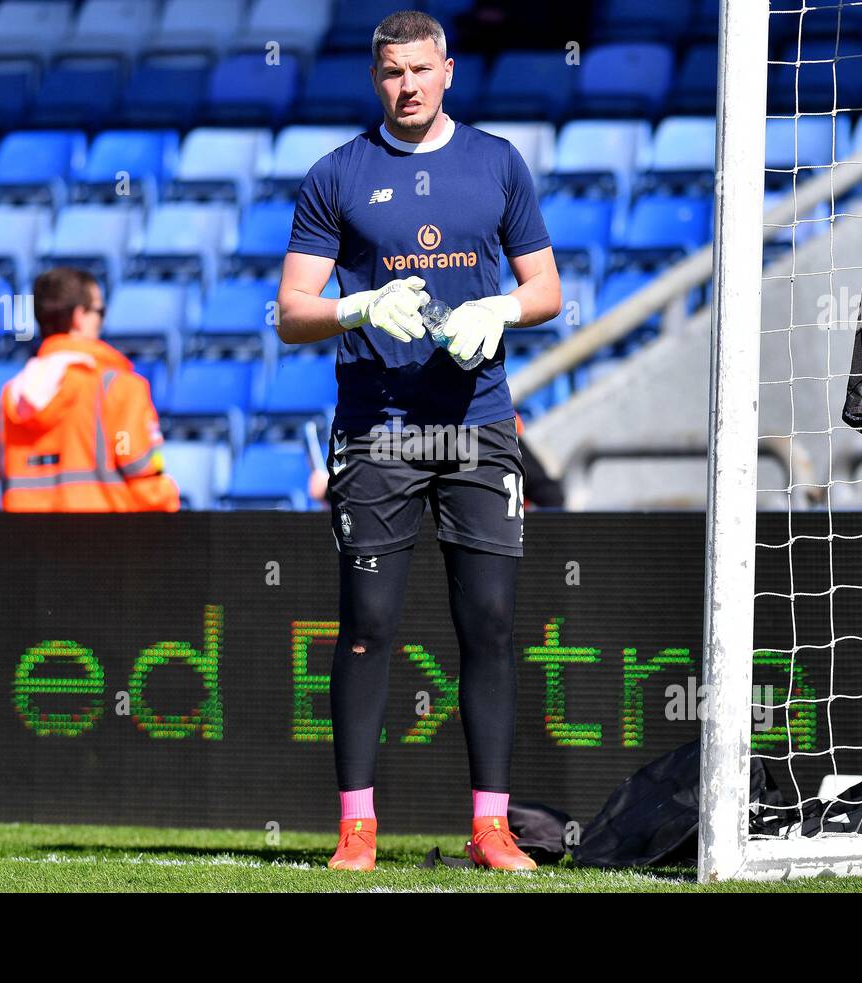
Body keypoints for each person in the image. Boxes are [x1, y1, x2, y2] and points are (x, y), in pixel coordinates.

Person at [277, 9, 562, 871]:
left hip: (477, 423)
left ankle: (491, 828)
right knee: (366, 624)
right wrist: (357, 305)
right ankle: (357, 827)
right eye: (392, 72)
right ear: (377, 79)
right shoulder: (338, 174)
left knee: (490, 622)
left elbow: (547, 286)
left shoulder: (497, 161)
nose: (407, 85)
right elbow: (292, 311)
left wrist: (502, 308)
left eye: (420, 70)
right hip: (377, 431)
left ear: (448, 71)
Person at [0, 267, 179, 512]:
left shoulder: (13, 396)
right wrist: (169, 497)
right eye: (99, 311)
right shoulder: (118, 388)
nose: (102, 320)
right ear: (79, 317)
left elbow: (3, 469)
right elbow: (135, 461)